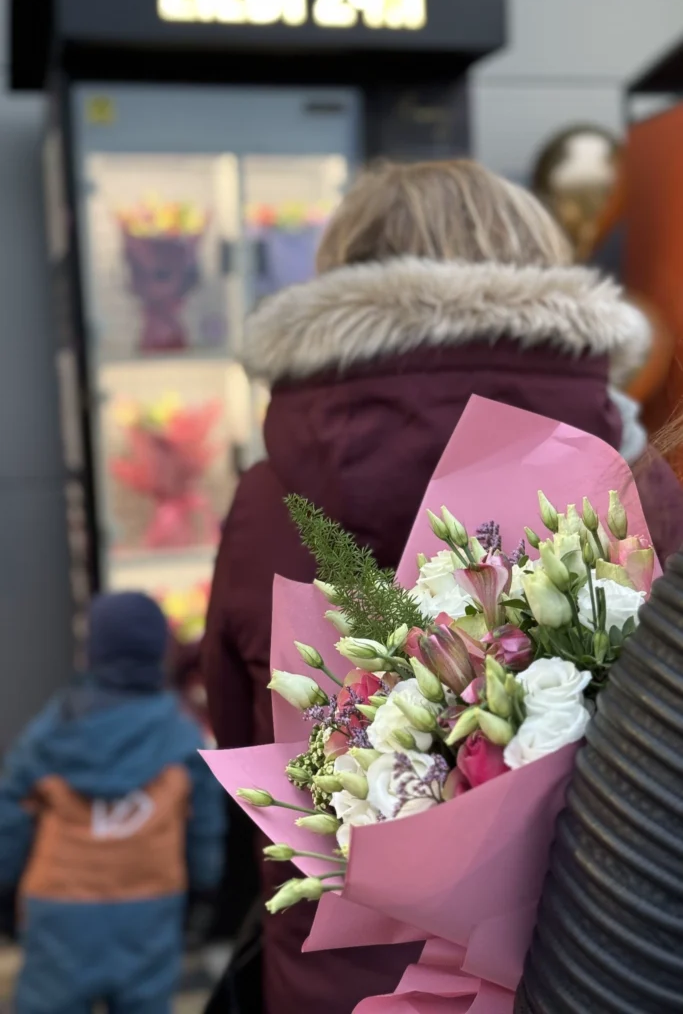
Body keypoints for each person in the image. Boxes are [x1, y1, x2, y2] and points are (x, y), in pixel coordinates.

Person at [202, 158, 683, 1014]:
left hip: (327, 987)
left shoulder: (262, 505)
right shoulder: (634, 498)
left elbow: (246, 747)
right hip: (584, 979)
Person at [0, 591, 226, 1014]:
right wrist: (203, 890)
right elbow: (205, 825)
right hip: (152, 903)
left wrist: (5, 888)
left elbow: (9, 817)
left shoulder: (52, 730)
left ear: (93, 651)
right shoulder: (180, 732)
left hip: (59, 906)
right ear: (160, 651)